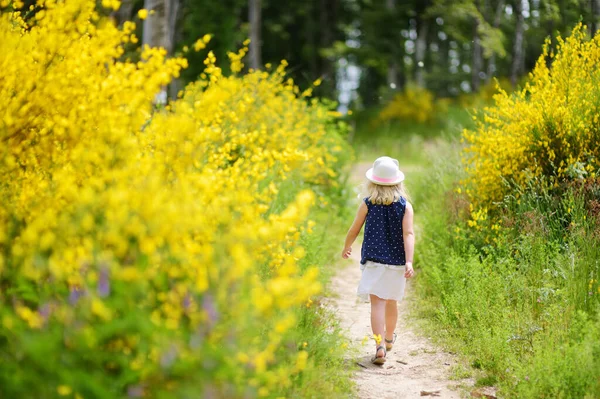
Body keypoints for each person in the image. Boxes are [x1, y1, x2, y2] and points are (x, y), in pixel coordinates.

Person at [341, 156, 415, 365]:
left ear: (372, 182)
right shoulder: (405, 206)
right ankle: (389, 337)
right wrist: (409, 261)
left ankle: (379, 345)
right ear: (398, 182)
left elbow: (354, 229)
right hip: (397, 262)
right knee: (392, 301)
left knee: (377, 304)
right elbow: (408, 234)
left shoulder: (367, 204)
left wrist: (347, 246)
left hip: (374, 261)